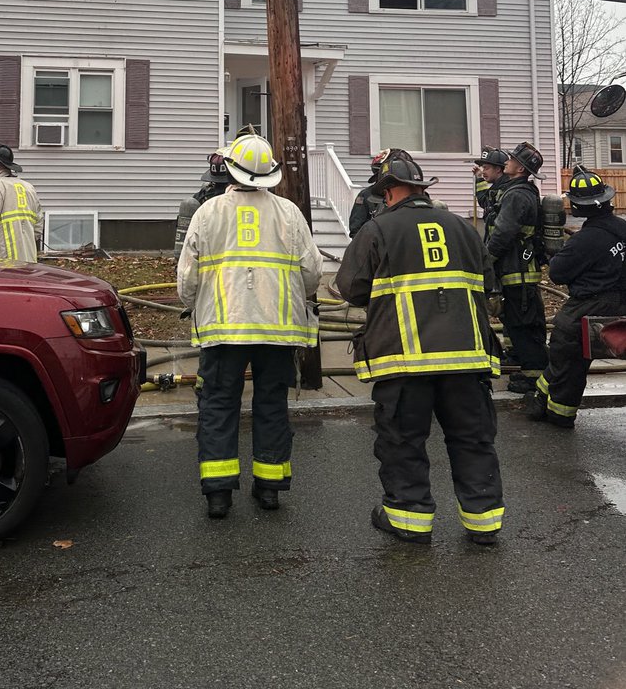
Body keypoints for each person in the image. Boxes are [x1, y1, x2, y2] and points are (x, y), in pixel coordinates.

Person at [336, 153, 504, 546]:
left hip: (405, 361)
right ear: (422, 190)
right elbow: (488, 280)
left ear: (389, 191)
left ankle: (410, 521)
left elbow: (352, 288)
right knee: (472, 439)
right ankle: (484, 522)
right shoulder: (463, 228)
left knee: (403, 440)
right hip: (467, 359)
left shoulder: (377, 230)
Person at [176, 133, 322, 519]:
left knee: (219, 405)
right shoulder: (290, 214)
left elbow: (187, 276)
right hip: (278, 331)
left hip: (223, 332)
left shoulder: (207, 213)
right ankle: (270, 489)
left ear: (229, 168)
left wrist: (195, 307)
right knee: (272, 404)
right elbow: (312, 273)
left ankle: (219, 496)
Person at [526, 167, 626, 429]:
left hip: (589, 306)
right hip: (621, 306)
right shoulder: (622, 228)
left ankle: (560, 413)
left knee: (566, 351)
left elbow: (558, 273)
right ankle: (540, 399)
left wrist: (555, 252)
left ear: (578, 206)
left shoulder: (585, 240)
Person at [484, 141, 548, 393]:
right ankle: (523, 362)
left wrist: (486, 260)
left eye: (511, 159)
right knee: (516, 319)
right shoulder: (518, 190)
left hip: (516, 270)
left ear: (520, 168)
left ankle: (534, 377)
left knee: (524, 323)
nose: (507, 161)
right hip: (517, 269)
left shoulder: (517, 195)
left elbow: (503, 233)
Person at [472, 148, 510, 220]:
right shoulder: (496, 188)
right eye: (483, 168)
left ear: (498, 169)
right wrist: (479, 178)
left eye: (486, 168)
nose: (483, 172)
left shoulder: (506, 190)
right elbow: (484, 201)